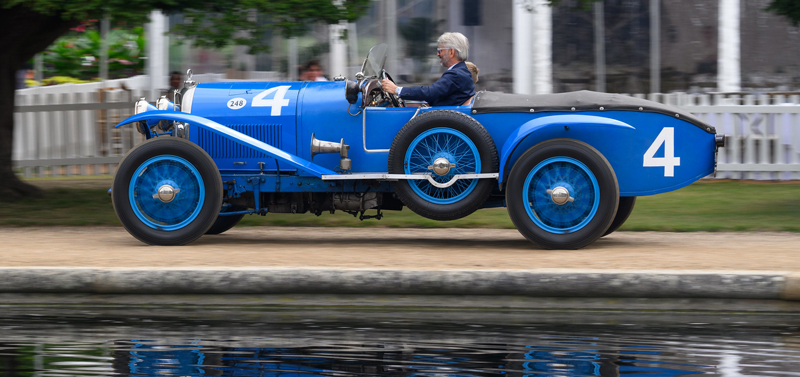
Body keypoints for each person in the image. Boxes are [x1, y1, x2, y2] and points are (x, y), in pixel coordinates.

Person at [381, 32, 475, 107]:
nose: (438, 54)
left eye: (440, 51)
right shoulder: (461, 71)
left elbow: (430, 93)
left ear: (451, 52)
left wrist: (397, 90)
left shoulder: (456, 74)